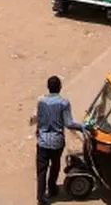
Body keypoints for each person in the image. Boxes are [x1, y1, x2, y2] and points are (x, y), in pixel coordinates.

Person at [34, 76, 83, 205]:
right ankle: (52, 188)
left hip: (42, 141)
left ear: (48, 87)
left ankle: (40, 196)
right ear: (60, 87)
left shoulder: (41, 101)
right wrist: (83, 127)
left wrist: (38, 132)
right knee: (55, 166)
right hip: (57, 141)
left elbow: (38, 119)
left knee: (41, 170)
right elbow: (69, 123)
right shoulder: (64, 103)